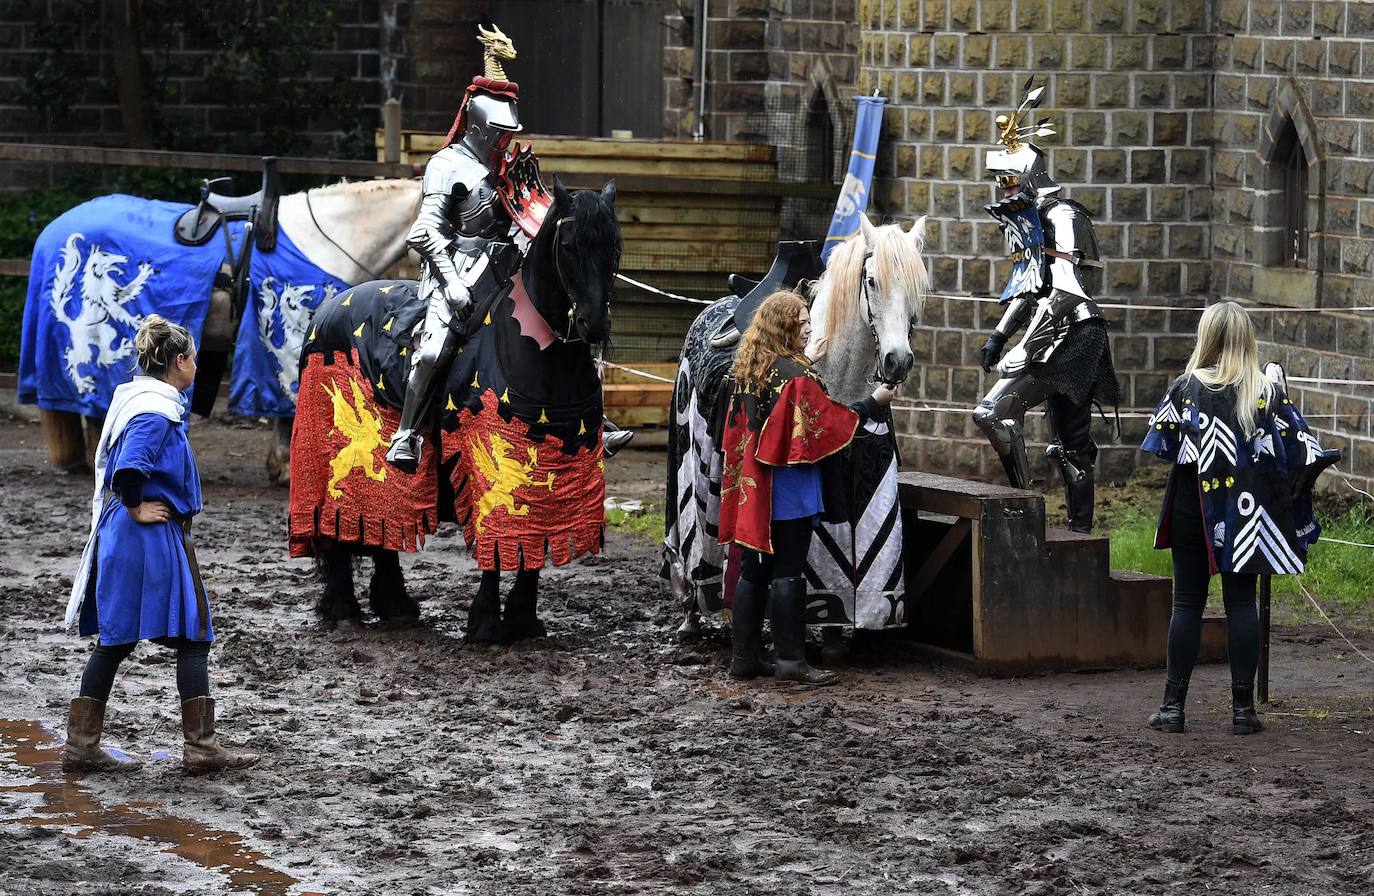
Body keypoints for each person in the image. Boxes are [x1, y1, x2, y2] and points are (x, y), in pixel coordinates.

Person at [63, 315, 259, 774]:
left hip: (131, 535)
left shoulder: (142, 400)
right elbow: (129, 467)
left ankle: (81, 747)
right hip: (145, 536)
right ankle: (201, 750)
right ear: (179, 361)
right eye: (194, 359)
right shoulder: (154, 412)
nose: (197, 367)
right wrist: (136, 506)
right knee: (193, 636)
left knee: (116, 641)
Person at [1140, 302, 1338, 735]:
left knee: (1186, 603)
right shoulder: (1265, 392)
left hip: (1194, 507)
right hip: (1246, 511)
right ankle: (1243, 712)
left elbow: (1163, 446)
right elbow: (1304, 450)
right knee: (1242, 605)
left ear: (1206, 338)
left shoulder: (1186, 388)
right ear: (1247, 339)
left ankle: (1172, 710)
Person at [717, 290, 895, 685]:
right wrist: (874, 401)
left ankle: (744, 658)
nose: (809, 328)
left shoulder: (748, 369)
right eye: (801, 322)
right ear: (783, 327)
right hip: (789, 490)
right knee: (789, 570)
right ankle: (790, 660)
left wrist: (807, 360)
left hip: (752, 490)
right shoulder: (799, 378)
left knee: (754, 571)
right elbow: (830, 423)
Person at [971, 80, 1119, 533]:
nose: (1003, 189)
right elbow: (1030, 285)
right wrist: (999, 335)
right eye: (999, 181)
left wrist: (1023, 348)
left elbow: (1067, 290)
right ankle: (1029, 511)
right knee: (1015, 423)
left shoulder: (1064, 216)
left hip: (1076, 333)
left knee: (1055, 437)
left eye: (1008, 180)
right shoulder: (1028, 220)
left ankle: (1074, 531)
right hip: (1052, 329)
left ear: (1029, 176)